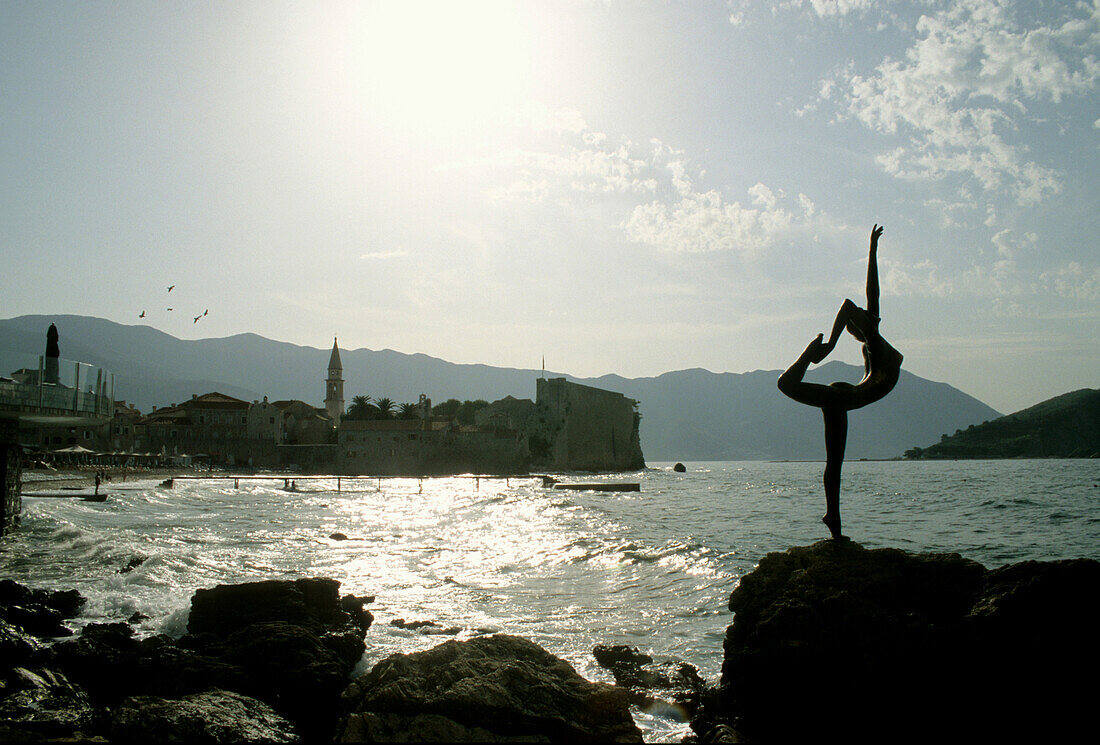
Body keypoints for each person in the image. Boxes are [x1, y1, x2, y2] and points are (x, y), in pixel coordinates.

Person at [777, 225, 903, 539]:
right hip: (847, 397)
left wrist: (873, 250)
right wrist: (832, 344)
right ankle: (833, 518)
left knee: (834, 461)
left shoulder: (874, 340)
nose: (866, 315)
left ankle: (833, 518)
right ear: (863, 328)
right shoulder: (874, 344)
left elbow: (869, 297)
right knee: (835, 462)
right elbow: (853, 305)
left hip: (844, 397)